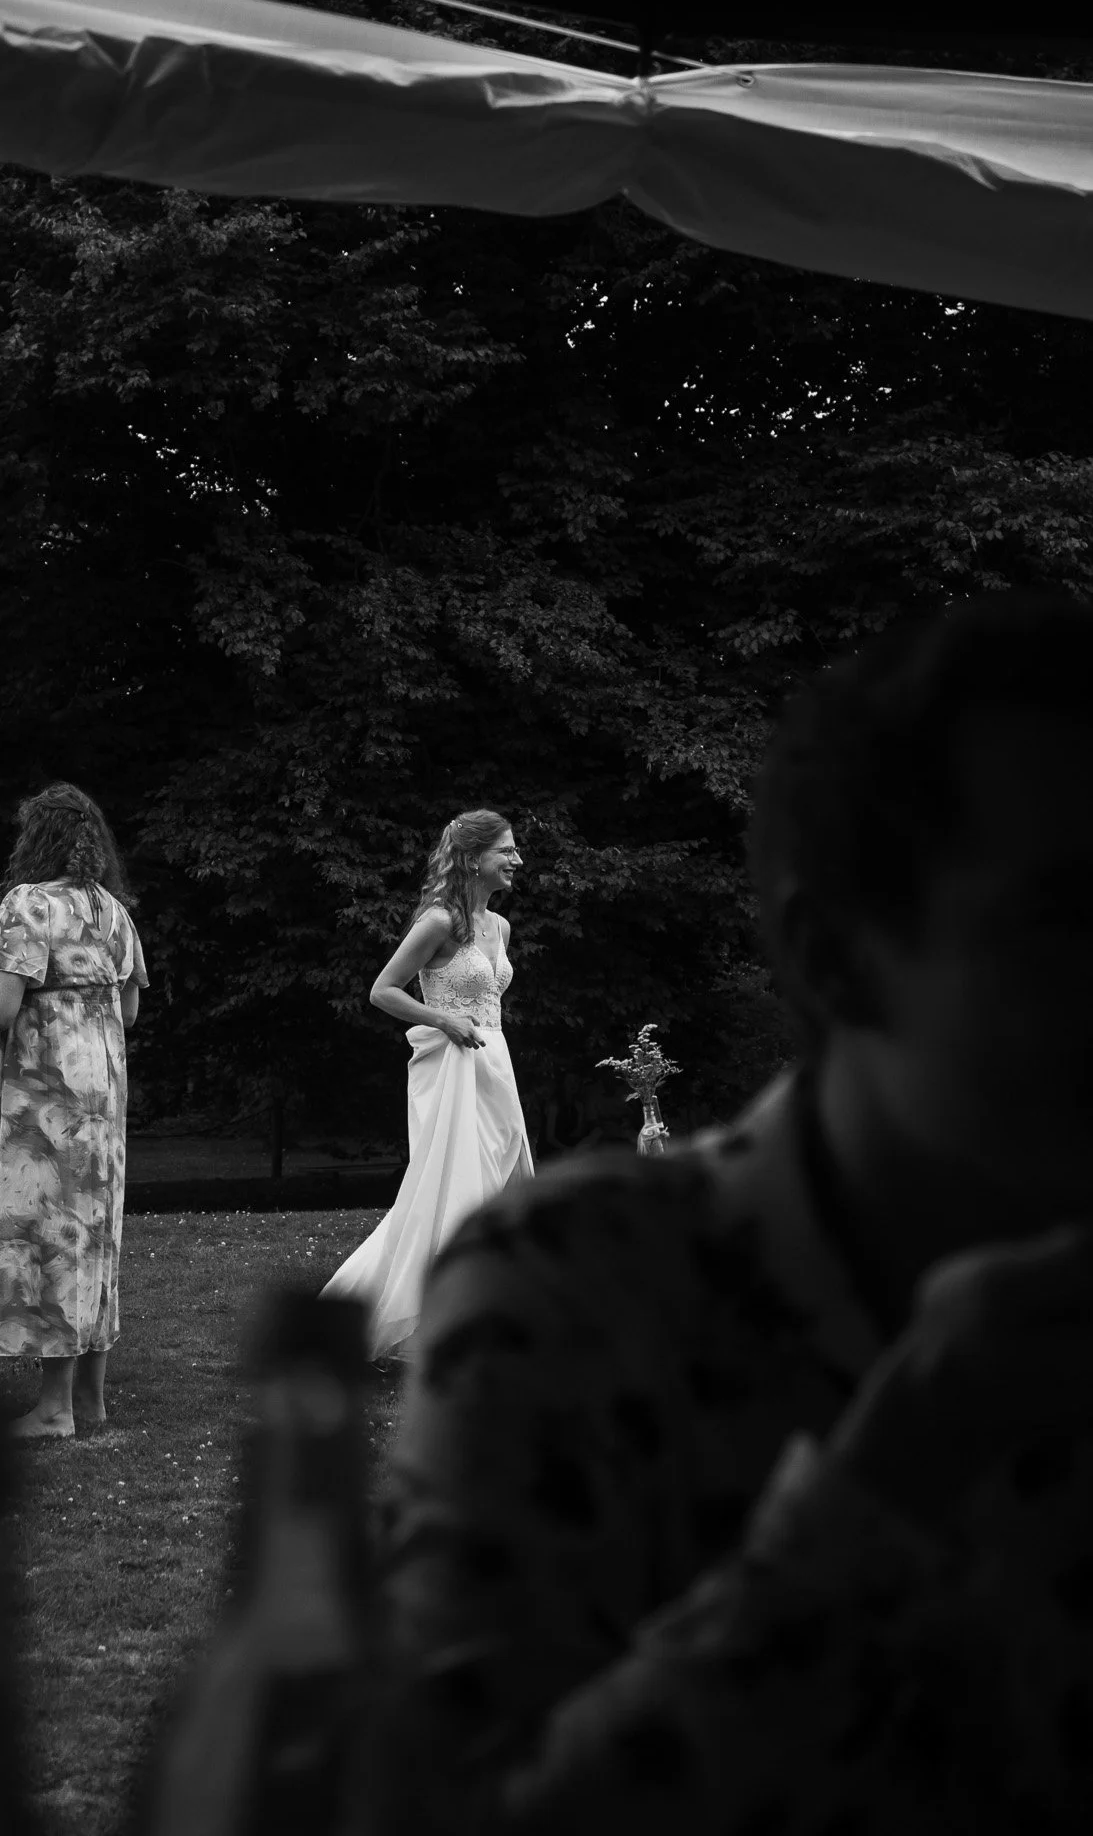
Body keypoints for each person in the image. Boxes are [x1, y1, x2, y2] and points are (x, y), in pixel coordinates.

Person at [357, 591, 1093, 1836]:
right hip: (456, 1065)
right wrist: (890, 1478)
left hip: (488, 1063)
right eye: (1058, 924)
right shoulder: (575, 1300)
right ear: (835, 953)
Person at [0, 783, 148, 1440]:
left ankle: (54, 1412)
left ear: (37, 840)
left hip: (42, 1100)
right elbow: (131, 1010)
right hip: (101, 1100)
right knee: (90, 1238)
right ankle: (91, 1404)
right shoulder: (115, 912)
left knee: (49, 1239)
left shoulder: (27, 904)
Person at [321, 810, 533, 1362]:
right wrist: (443, 1020)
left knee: (500, 1184)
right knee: (454, 1189)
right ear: (472, 857)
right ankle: (441, 1324)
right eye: (505, 851)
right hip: (451, 1067)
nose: (515, 860)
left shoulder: (500, 926)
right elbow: (383, 990)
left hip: (495, 1064)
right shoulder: (439, 921)